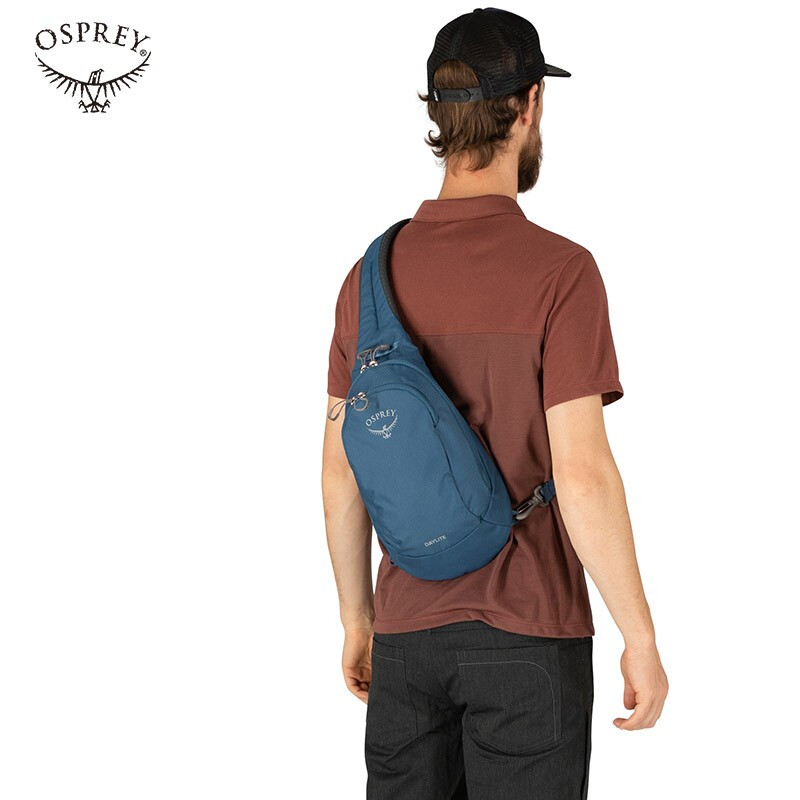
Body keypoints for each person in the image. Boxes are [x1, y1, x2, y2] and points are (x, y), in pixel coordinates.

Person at [321, 8, 668, 799]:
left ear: (438, 114)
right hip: (530, 636)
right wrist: (640, 636)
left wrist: (358, 619)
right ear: (532, 103)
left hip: (406, 639)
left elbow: (341, 474)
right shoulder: (561, 273)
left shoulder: (367, 280)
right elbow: (582, 475)